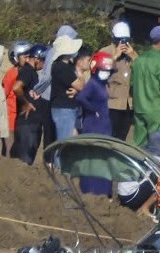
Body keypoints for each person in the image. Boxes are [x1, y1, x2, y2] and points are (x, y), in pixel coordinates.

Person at [131, 25, 160, 154]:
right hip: (155, 109)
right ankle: (152, 172)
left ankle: (133, 168)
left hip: (139, 108)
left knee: (138, 143)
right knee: (156, 146)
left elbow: (132, 82)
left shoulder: (139, 60)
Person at [75, 55, 115, 197]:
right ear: (96, 69)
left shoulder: (102, 84)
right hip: (94, 126)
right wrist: (93, 110)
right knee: (93, 158)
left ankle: (104, 191)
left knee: (103, 158)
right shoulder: (92, 84)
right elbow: (81, 97)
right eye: (103, 70)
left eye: (108, 71)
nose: (106, 73)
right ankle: (91, 190)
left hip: (104, 126)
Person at [10, 44, 48, 164]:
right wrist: (26, 103)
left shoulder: (32, 72)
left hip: (31, 125)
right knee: (23, 163)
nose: (44, 64)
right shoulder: (27, 71)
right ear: (37, 59)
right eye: (44, 60)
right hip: (27, 125)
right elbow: (16, 88)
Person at [47, 34, 83, 143]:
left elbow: (76, 87)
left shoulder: (63, 66)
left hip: (65, 108)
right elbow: (81, 86)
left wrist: (76, 89)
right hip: (64, 109)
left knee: (71, 139)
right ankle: (58, 160)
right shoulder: (62, 67)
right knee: (64, 142)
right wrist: (80, 73)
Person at [107, 52, 135, 140]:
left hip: (128, 104)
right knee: (113, 134)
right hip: (114, 104)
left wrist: (132, 54)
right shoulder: (109, 53)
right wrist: (116, 55)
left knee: (123, 134)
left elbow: (142, 66)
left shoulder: (131, 57)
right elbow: (104, 67)